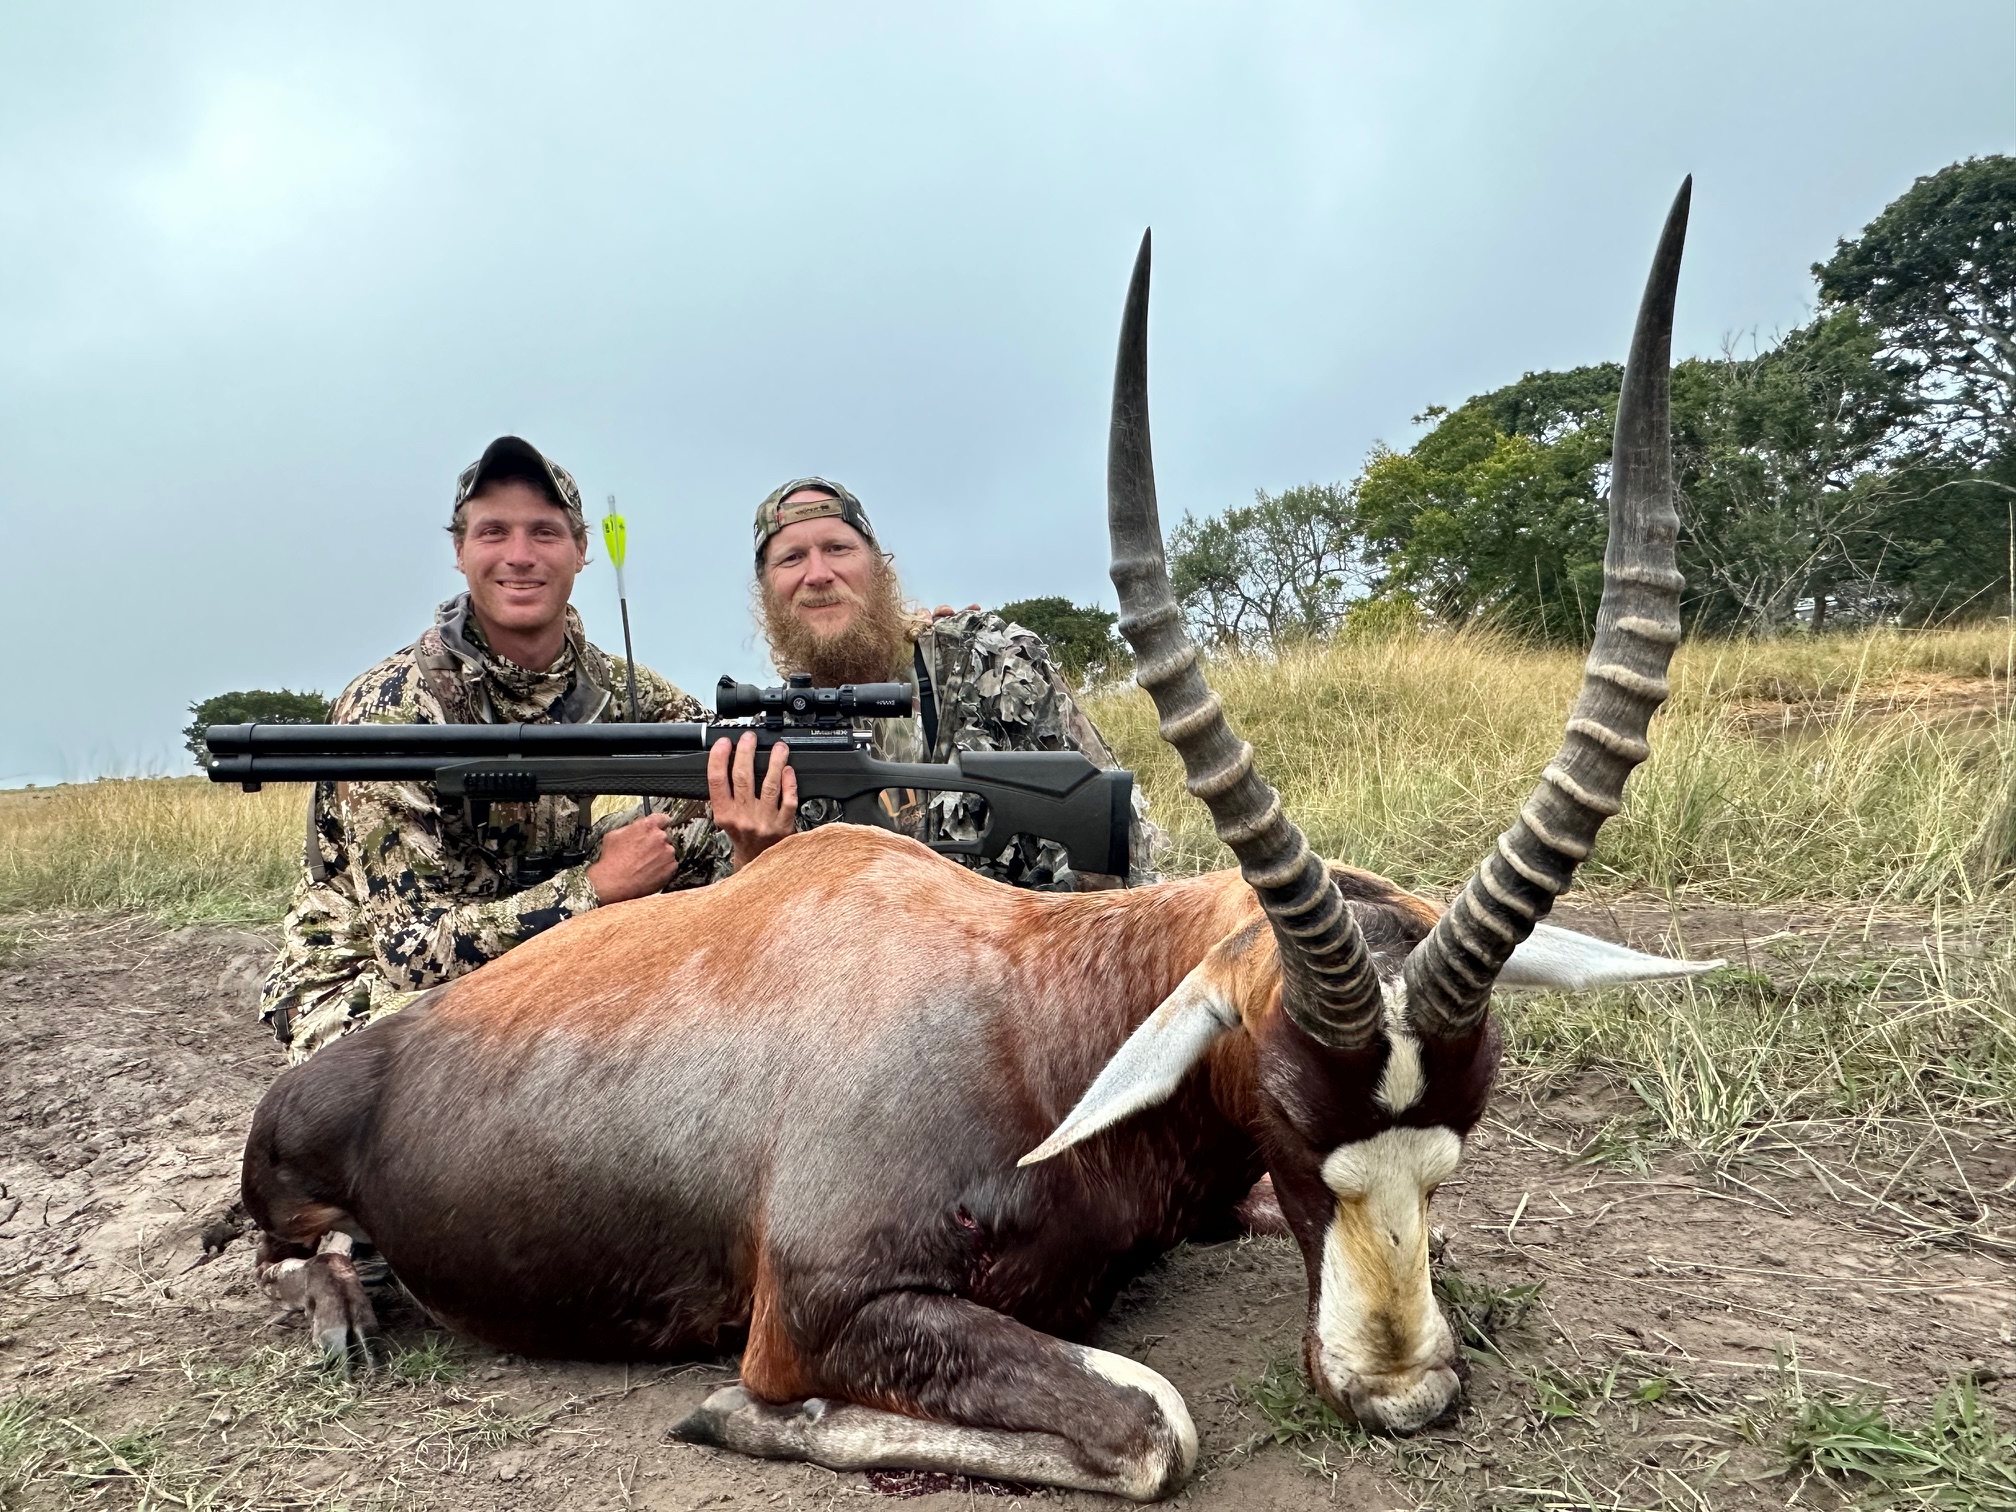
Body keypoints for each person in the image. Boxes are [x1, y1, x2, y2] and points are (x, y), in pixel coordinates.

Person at [258, 436, 754, 1061]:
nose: (520, 556)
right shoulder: (392, 707)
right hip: (377, 983)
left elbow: (719, 744)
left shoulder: (609, 683)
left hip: (541, 947)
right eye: (494, 532)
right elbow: (412, 955)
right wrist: (593, 887)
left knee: (717, 806)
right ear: (460, 551)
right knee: (464, 1065)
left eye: (544, 533)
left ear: (581, 552)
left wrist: (757, 825)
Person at [712, 477, 1162, 888]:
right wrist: (755, 863)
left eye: (837, 548)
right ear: (767, 591)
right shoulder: (757, 755)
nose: (817, 574)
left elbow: (1112, 848)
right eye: (792, 558)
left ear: (878, 566)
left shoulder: (987, 661)